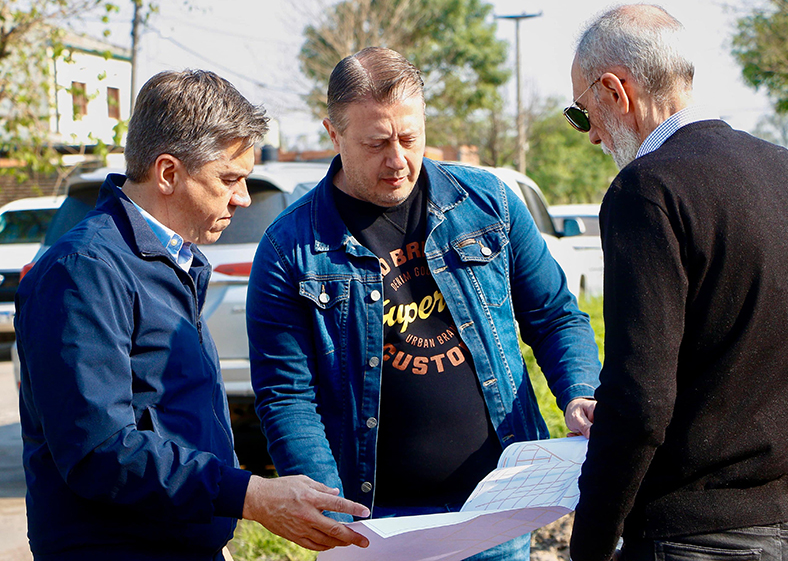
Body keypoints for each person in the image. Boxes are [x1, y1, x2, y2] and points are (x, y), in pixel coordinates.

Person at [246, 47, 601, 561]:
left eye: (410, 138)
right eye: (376, 143)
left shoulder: (489, 203)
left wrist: (578, 393)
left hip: (498, 508)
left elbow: (556, 316)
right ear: (333, 133)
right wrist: (332, 512)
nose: (397, 161)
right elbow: (286, 396)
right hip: (374, 527)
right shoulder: (291, 248)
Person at [14, 69, 369, 561]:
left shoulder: (166, 260)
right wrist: (249, 495)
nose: (242, 198)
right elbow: (99, 451)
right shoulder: (85, 271)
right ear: (167, 173)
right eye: (229, 178)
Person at [565, 4, 788, 561]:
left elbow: (641, 398)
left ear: (613, 90)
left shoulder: (646, 190)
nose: (593, 136)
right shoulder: (782, 167)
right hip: (787, 520)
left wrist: (592, 541)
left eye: (581, 114)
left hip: (692, 536)